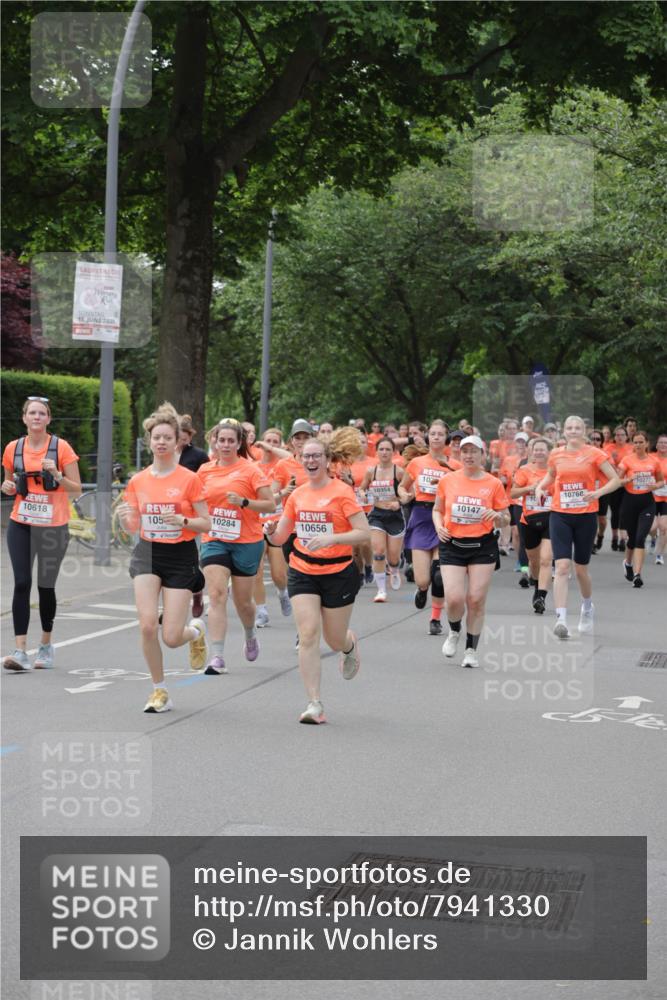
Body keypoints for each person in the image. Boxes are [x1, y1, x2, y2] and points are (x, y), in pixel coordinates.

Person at [264, 430, 370, 724]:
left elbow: (363, 532)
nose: (310, 460)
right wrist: (271, 533)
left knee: (333, 639)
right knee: (308, 634)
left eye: (316, 456)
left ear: (326, 460)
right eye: (306, 456)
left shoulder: (341, 492)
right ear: (299, 460)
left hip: (338, 572)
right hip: (303, 570)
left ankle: (348, 646)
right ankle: (314, 703)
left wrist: (331, 537)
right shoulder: (297, 495)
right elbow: (281, 537)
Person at [117, 404, 211, 712]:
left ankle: (195, 632)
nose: (161, 442)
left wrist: (182, 521)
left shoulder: (189, 479)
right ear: (149, 442)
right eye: (156, 437)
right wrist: (124, 518)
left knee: (171, 637)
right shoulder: (138, 481)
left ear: (177, 442)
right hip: (147, 553)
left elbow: (206, 523)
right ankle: (159, 690)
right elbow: (133, 526)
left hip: (180, 554)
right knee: (146, 625)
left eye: (167, 438)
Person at [2, 396, 82, 671]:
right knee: (22, 582)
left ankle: (46, 645)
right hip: (21, 523)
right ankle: (20, 650)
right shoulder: (13, 448)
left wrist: (58, 475)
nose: (36, 417)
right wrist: (8, 487)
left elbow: (76, 490)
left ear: (48, 419)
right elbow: (9, 482)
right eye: (32, 413)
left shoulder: (61, 448)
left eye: (42, 413)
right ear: (24, 418)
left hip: (53, 527)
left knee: (45, 586)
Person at [197, 420, 275, 674]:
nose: (226, 445)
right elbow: (192, 502)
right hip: (215, 539)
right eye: (222, 440)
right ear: (215, 442)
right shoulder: (205, 471)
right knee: (217, 595)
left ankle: (250, 634)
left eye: (232, 441)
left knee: (243, 603)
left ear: (239, 443)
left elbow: (270, 505)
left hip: (246, 541)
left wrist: (244, 501)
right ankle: (217, 657)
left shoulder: (251, 470)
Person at [535, 415, 621, 639]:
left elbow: (615, 480)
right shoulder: (556, 454)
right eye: (569, 427)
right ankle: (561, 618)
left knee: (581, 569)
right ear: (564, 431)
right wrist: (539, 489)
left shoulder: (595, 454)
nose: (573, 431)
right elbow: (550, 477)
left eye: (577, 428)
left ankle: (587, 607)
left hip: (585, 516)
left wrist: (598, 493)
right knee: (562, 567)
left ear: (583, 431)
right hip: (560, 514)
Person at [433, 436, 510, 667]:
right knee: (454, 599)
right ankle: (454, 630)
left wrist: (498, 517)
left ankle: (470, 651)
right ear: (459, 454)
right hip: (452, 544)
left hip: (482, 546)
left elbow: (506, 518)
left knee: (476, 600)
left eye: (473, 451)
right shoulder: (448, 481)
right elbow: (437, 510)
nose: (468, 455)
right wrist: (439, 527)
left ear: (482, 455)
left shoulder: (493, 483)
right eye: (464, 451)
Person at [398, 420, 460, 634]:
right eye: (432, 434)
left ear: (447, 439)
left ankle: (435, 619)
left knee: (439, 576)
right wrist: (404, 495)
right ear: (427, 438)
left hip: (443, 518)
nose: (435, 437)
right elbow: (402, 486)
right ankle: (421, 590)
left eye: (440, 434)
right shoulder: (416, 463)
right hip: (422, 516)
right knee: (423, 579)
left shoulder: (455, 466)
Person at [252, 427, 293, 627]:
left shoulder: (284, 465)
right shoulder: (253, 466)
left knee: (278, 574)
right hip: (255, 523)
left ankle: (283, 593)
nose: (270, 445)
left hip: (277, 522)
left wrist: (272, 448)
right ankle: (262, 611)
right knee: (256, 570)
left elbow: (292, 455)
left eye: (275, 441)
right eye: (268, 440)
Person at [359, 437, 406, 601]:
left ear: (393, 452)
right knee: (378, 552)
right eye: (381, 449)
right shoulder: (371, 471)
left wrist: (399, 503)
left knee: (393, 557)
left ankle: (393, 568)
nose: (384, 452)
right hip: (377, 515)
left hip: (395, 517)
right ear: (376, 451)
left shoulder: (399, 472)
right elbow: (362, 488)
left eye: (388, 449)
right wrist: (363, 494)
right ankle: (381, 591)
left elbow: (410, 493)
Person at [511, 438, 553, 613]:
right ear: (531, 452)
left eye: (543, 450)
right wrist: (530, 488)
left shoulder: (555, 472)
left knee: (545, 559)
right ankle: (537, 587)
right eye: (536, 450)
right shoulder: (524, 470)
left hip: (551, 518)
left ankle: (541, 596)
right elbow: (513, 492)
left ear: (549, 452)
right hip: (529, 519)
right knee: (534, 560)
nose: (539, 452)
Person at [617, 432, 663, 587]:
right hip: (629, 502)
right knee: (631, 538)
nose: (637, 445)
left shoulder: (653, 461)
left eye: (640, 442)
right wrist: (626, 480)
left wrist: (655, 486)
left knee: (640, 538)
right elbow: (617, 480)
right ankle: (628, 564)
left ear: (646, 443)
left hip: (647, 503)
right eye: (635, 442)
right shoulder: (627, 460)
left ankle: (637, 574)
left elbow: (661, 481)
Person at [603, 426, 633, 550]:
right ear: (614, 437)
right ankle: (614, 536)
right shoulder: (609, 448)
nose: (619, 437)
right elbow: (608, 464)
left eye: (622, 435)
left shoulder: (631, 449)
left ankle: (622, 538)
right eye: (617, 435)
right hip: (614, 483)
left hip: (627, 484)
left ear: (626, 436)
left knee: (624, 511)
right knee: (615, 512)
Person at [652, 433, 667, 565]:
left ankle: (659, 555)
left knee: (664, 527)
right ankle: (653, 537)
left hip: (665, 499)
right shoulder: (651, 458)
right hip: (652, 496)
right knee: (652, 527)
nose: (663, 445)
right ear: (656, 445)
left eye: (666, 443)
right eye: (661, 442)